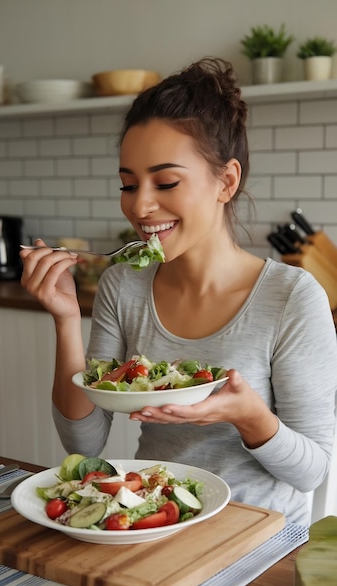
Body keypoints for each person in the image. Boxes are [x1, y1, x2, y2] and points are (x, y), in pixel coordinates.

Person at [20, 57, 337, 526]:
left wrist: (250, 417)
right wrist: (66, 318)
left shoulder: (292, 297)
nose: (141, 206)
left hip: (258, 541)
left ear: (226, 181)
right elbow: (83, 444)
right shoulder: (122, 285)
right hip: (156, 523)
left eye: (166, 182)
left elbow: (313, 472)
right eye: (128, 184)